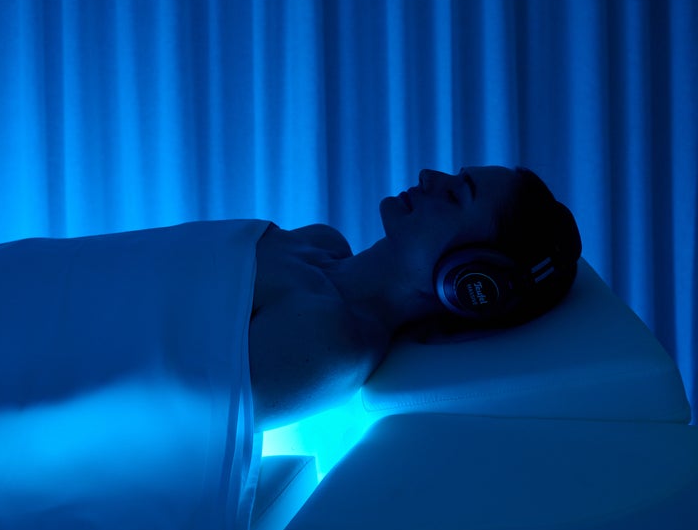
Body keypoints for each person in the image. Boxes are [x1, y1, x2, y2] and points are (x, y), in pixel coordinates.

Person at [249, 165, 582, 431]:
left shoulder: (330, 348)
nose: (428, 176)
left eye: (454, 197)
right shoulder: (320, 241)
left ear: (469, 279)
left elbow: (201, 422)